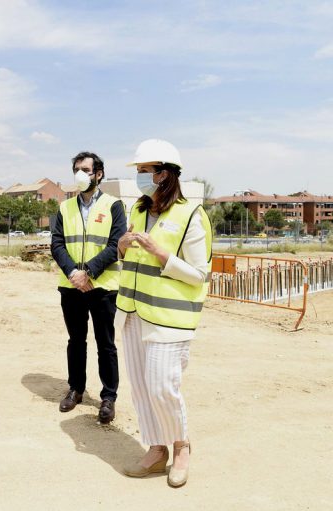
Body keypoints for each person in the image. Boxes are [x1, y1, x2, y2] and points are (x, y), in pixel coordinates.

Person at [116, 139, 212, 488]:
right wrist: (122, 249)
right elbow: (129, 261)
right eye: (139, 171)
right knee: (142, 388)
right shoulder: (138, 210)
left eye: (145, 171)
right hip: (133, 312)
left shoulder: (190, 215)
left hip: (170, 319)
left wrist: (162, 255)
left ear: (165, 173)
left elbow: (201, 274)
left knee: (161, 387)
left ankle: (181, 447)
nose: (140, 177)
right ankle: (157, 451)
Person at [51, 152, 127, 423]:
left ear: (99, 173)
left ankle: (108, 397)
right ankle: (76, 389)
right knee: (76, 341)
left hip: (103, 286)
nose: (80, 174)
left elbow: (115, 245)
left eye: (85, 169)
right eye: (76, 169)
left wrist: (89, 272)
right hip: (71, 286)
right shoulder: (64, 208)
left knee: (106, 344)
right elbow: (57, 244)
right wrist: (73, 272)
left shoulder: (113, 205)